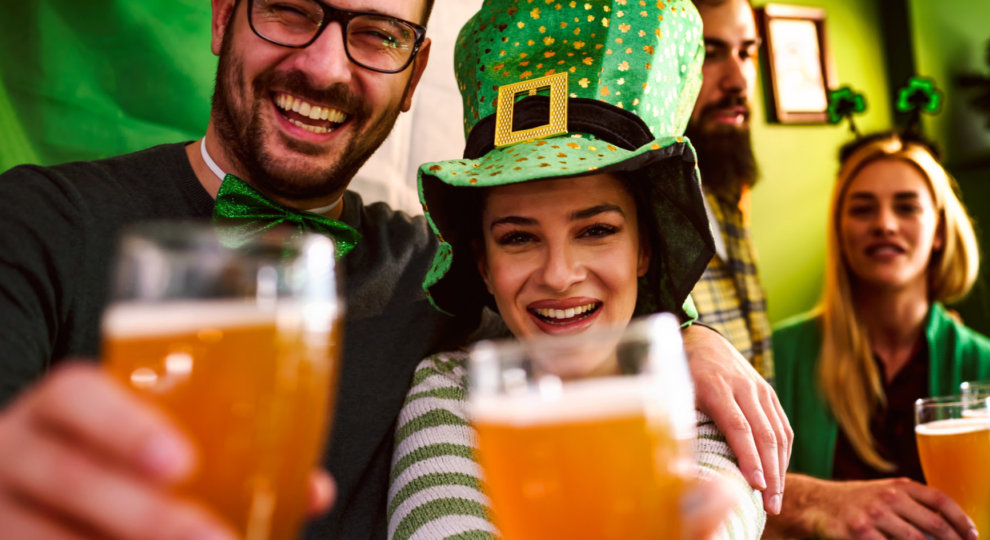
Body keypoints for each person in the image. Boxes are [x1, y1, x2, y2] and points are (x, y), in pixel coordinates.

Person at [0, 0, 789, 537]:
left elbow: (579, 343)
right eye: (289, 7)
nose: (322, 64)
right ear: (221, 15)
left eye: (376, 33)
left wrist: (686, 335)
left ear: (413, 77)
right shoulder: (34, 223)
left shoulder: (431, 272)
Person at [387, 1, 764, 537]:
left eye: (596, 230)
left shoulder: (704, 393)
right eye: (518, 238)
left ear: (645, 249)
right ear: (483, 265)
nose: (559, 274)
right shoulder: (449, 392)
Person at [767, 132, 990, 540]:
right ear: (840, 231)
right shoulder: (778, 356)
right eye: (863, 210)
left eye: (906, 207)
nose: (884, 224)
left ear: (939, 230)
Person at [686, 0, 773, 380]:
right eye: (710, 53)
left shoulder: (724, 199)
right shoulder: (619, 212)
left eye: (747, 52)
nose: (738, 81)